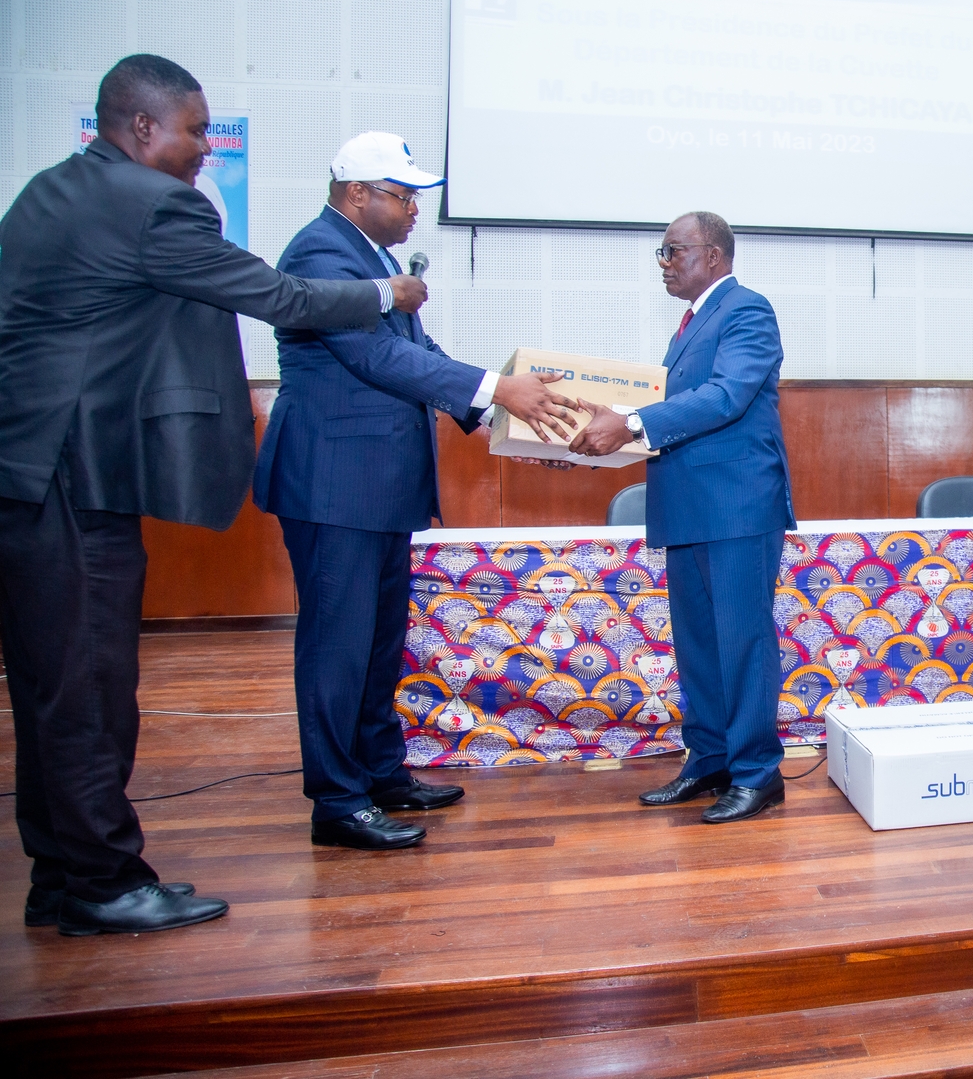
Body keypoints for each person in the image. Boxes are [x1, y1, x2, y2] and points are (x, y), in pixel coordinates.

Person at [0, 55, 421, 935]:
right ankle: (105, 881)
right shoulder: (153, 203)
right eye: (194, 130)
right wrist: (389, 291)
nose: (203, 149)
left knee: (52, 686)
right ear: (143, 127)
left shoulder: (52, 190)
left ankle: (61, 875)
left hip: (35, 468)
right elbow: (276, 295)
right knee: (89, 688)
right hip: (71, 478)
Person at [251, 133, 580, 850]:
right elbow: (374, 355)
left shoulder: (376, 261)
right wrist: (501, 389)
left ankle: (378, 772)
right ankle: (338, 802)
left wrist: (504, 414)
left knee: (376, 642)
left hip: (376, 488)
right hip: (333, 484)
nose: (412, 212)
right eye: (402, 197)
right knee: (337, 645)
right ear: (357, 194)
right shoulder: (320, 253)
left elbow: (420, 354)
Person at [566, 211, 795, 823]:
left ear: (715, 255)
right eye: (661, 254)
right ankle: (711, 759)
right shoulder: (690, 326)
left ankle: (756, 773)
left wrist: (631, 424)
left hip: (736, 504)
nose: (664, 264)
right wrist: (593, 438)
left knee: (742, 641)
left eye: (674, 251)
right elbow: (675, 411)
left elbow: (726, 396)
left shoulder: (747, 309)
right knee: (698, 645)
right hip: (689, 504)